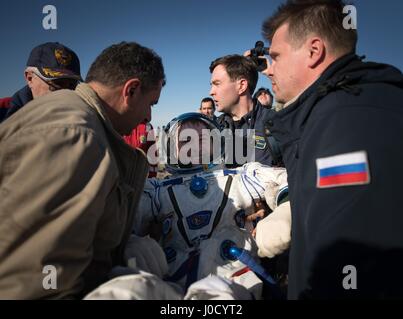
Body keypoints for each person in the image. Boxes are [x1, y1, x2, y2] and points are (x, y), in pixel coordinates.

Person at [257, 0, 403, 298]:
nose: (268, 70)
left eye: (276, 57)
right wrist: (298, 208)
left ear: (314, 51)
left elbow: (353, 265)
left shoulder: (350, 120)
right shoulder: (340, 108)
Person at [0, 41, 165, 299]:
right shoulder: (76, 135)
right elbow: (36, 285)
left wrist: (118, 249)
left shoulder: (82, 124)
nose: (149, 116)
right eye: (151, 103)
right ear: (131, 91)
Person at [133, 112, 289, 299]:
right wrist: (131, 241)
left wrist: (285, 211)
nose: (196, 145)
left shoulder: (241, 177)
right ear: (174, 148)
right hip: (172, 286)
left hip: (235, 281)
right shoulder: (159, 190)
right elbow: (126, 212)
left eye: (203, 138)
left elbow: (286, 179)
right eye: (185, 140)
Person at [209, 54, 282, 167]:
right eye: (211, 85)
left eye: (217, 84)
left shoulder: (277, 123)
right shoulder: (214, 128)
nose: (211, 92)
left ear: (242, 86)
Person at [0, 42, 82, 122]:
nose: (66, 93)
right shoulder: (3, 111)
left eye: (72, 84)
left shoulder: (82, 115)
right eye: (58, 83)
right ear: (30, 78)